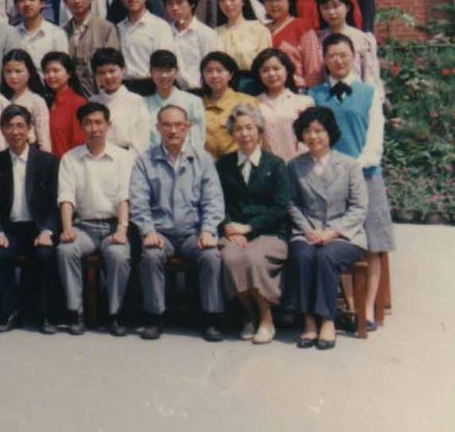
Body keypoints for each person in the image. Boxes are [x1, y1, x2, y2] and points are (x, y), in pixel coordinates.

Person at [308, 32, 392, 330]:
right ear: (324, 60)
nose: (338, 60)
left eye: (344, 55)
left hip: (366, 175)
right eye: (332, 55)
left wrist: (356, 166)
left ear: (353, 57)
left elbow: (375, 138)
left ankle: (367, 309)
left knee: (373, 243)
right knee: (339, 239)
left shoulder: (369, 93)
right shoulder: (314, 95)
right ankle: (351, 306)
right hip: (331, 180)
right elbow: (312, 138)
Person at [129, 104, 226, 341]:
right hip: (161, 232)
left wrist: (208, 230)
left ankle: (211, 318)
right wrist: (148, 230)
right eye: (167, 125)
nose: (173, 130)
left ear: (187, 128)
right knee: (151, 255)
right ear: (158, 128)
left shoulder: (202, 160)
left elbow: (213, 200)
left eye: (178, 125)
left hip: (193, 232)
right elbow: (138, 201)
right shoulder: (145, 161)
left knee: (211, 255)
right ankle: (154, 317)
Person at [287, 106, 369, 350]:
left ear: (330, 133)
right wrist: (307, 230)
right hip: (307, 232)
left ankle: (327, 320)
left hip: (344, 235)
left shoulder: (349, 165)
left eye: (319, 130)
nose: (313, 136)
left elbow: (359, 207)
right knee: (302, 255)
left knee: (326, 256)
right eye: (307, 131)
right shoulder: (295, 166)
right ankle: (309, 321)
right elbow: (291, 203)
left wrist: (332, 233)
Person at [56, 101, 134, 335]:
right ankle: (75, 312)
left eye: (99, 122)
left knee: (119, 254)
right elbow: (66, 198)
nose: (94, 128)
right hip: (84, 226)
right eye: (88, 123)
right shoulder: (70, 158)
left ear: (108, 125)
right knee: (66, 249)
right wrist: (67, 228)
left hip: (112, 225)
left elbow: (124, 197)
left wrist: (121, 230)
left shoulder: (123, 157)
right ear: (81, 127)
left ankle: (115, 314)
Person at [215, 105, 291, 345]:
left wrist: (249, 228)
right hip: (234, 232)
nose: (244, 134)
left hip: (270, 232)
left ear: (259, 130)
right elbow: (216, 201)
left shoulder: (275, 164)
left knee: (253, 258)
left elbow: (281, 207)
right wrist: (228, 226)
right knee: (230, 258)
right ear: (232, 133)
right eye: (238, 129)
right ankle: (248, 315)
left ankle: (267, 319)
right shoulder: (224, 165)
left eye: (249, 128)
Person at [0, 105, 60, 333]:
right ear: (2, 130)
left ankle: (44, 315)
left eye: (20, 126)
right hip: (9, 228)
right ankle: (9, 312)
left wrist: (48, 230)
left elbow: (57, 203)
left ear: (29, 129)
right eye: (9, 126)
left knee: (45, 254)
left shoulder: (48, 162)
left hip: (38, 227)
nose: (15, 131)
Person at [114, 0, 173, 91]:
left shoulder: (160, 26)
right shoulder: (117, 28)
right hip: (124, 87)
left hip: (152, 86)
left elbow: (164, 64)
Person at [259, 0, 323, 85]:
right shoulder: (260, 30)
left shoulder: (303, 28)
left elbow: (314, 69)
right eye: (269, 0)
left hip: (298, 89)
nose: (274, 4)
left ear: (289, 0)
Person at [253, 48, 314, 158]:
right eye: (265, 70)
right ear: (259, 74)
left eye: (276, 68)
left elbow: (311, 138)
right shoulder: (253, 104)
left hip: (299, 163)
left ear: (287, 71)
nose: (272, 74)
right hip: (268, 166)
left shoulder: (304, 102)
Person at [60, 0, 114, 95]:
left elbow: (113, 65)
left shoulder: (106, 28)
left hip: (101, 94)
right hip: (74, 95)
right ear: (65, 1)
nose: (77, 1)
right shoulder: (61, 32)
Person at [144, 50, 206, 151]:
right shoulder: (142, 103)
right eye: (159, 70)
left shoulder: (193, 102)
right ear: (151, 72)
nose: (164, 75)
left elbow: (198, 141)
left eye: (168, 70)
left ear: (176, 71)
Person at [163, 0, 218, 92]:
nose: (174, 8)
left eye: (179, 3)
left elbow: (212, 66)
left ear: (192, 4)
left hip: (201, 91)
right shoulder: (164, 32)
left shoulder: (206, 33)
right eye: (170, 3)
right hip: (172, 92)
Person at [91, 49, 149, 152]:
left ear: (123, 70)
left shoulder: (136, 101)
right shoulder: (92, 102)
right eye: (101, 72)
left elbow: (142, 141)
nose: (108, 76)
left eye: (112, 71)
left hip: (128, 156)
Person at [201, 52, 257, 158]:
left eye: (219, 71)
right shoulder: (196, 104)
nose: (214, 75)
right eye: (208, 71)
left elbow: (257, 138)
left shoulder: (246, 101)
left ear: (230, 75)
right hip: (205, 164)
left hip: (238, 163)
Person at [0, 50, 51, 152]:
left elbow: (43, 139)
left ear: (29, 72)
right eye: (8, 71)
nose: (13, 76)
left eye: (18, 71)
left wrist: (45, 159)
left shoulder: (36, 101)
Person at [12, 0, 68, 67]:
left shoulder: (56, 34)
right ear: (16, 6)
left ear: (42, 3)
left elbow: (62, 68)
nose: (27, 4)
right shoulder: (11, 34)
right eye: (22, 0)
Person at [41, 53, 87, 155]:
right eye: (47, 71)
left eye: (56, 71)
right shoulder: (44, 102)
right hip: (46, 162)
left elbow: (80, 143)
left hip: (68, 162)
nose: (51, 75)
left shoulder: (78, 103)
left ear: (69, 73)